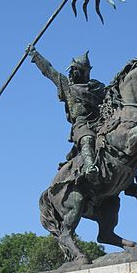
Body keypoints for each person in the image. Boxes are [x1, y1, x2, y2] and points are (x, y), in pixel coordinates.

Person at [29, 46, 104, 179]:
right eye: (72, 70)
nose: (73, 73)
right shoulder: (67, 86)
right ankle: (90, 166)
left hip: (100, 123)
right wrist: (36, 55)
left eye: (76, 70)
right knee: (87, 139)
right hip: (82, 125)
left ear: (85, 71)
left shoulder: (97, 87)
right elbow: (49, 71)